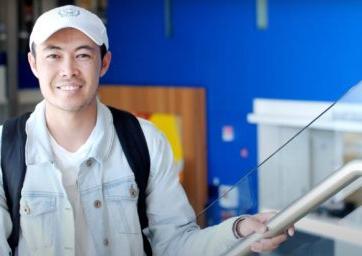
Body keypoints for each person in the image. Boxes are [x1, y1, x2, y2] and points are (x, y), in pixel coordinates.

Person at [0, 5, 293, 256]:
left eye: (83, 55)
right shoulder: (4, 147)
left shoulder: (145, 141)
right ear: (34, 63)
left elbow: (176, 245)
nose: (68, 70)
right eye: (53, 55)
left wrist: (239, 230)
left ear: (104, 63)